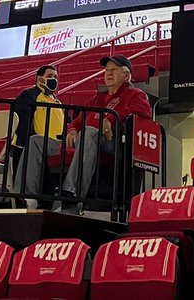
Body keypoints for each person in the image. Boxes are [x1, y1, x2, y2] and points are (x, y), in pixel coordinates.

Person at [60, 56, 152, 207]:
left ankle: (72, 192)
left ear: (126, 76)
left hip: (112, 143)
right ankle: (26, 200)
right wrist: (72, 130)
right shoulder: (96, 98)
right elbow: (77, 121)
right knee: (36, 141)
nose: (109, 73)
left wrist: (112, 118)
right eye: (107, 70)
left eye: (114, 69)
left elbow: (144, 111)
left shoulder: (135, 94)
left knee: (89, 132)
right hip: (83, 140)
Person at [13, 65, 67, 209]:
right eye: (50, 76)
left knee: (48, 191)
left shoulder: (58, 102)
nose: (53, 79)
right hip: (32, 147)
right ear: (39, 79)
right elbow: (22, 123)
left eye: (55, 77)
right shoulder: (29, 95)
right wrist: (28, 144)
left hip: (54, 147)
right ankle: (25, 199)